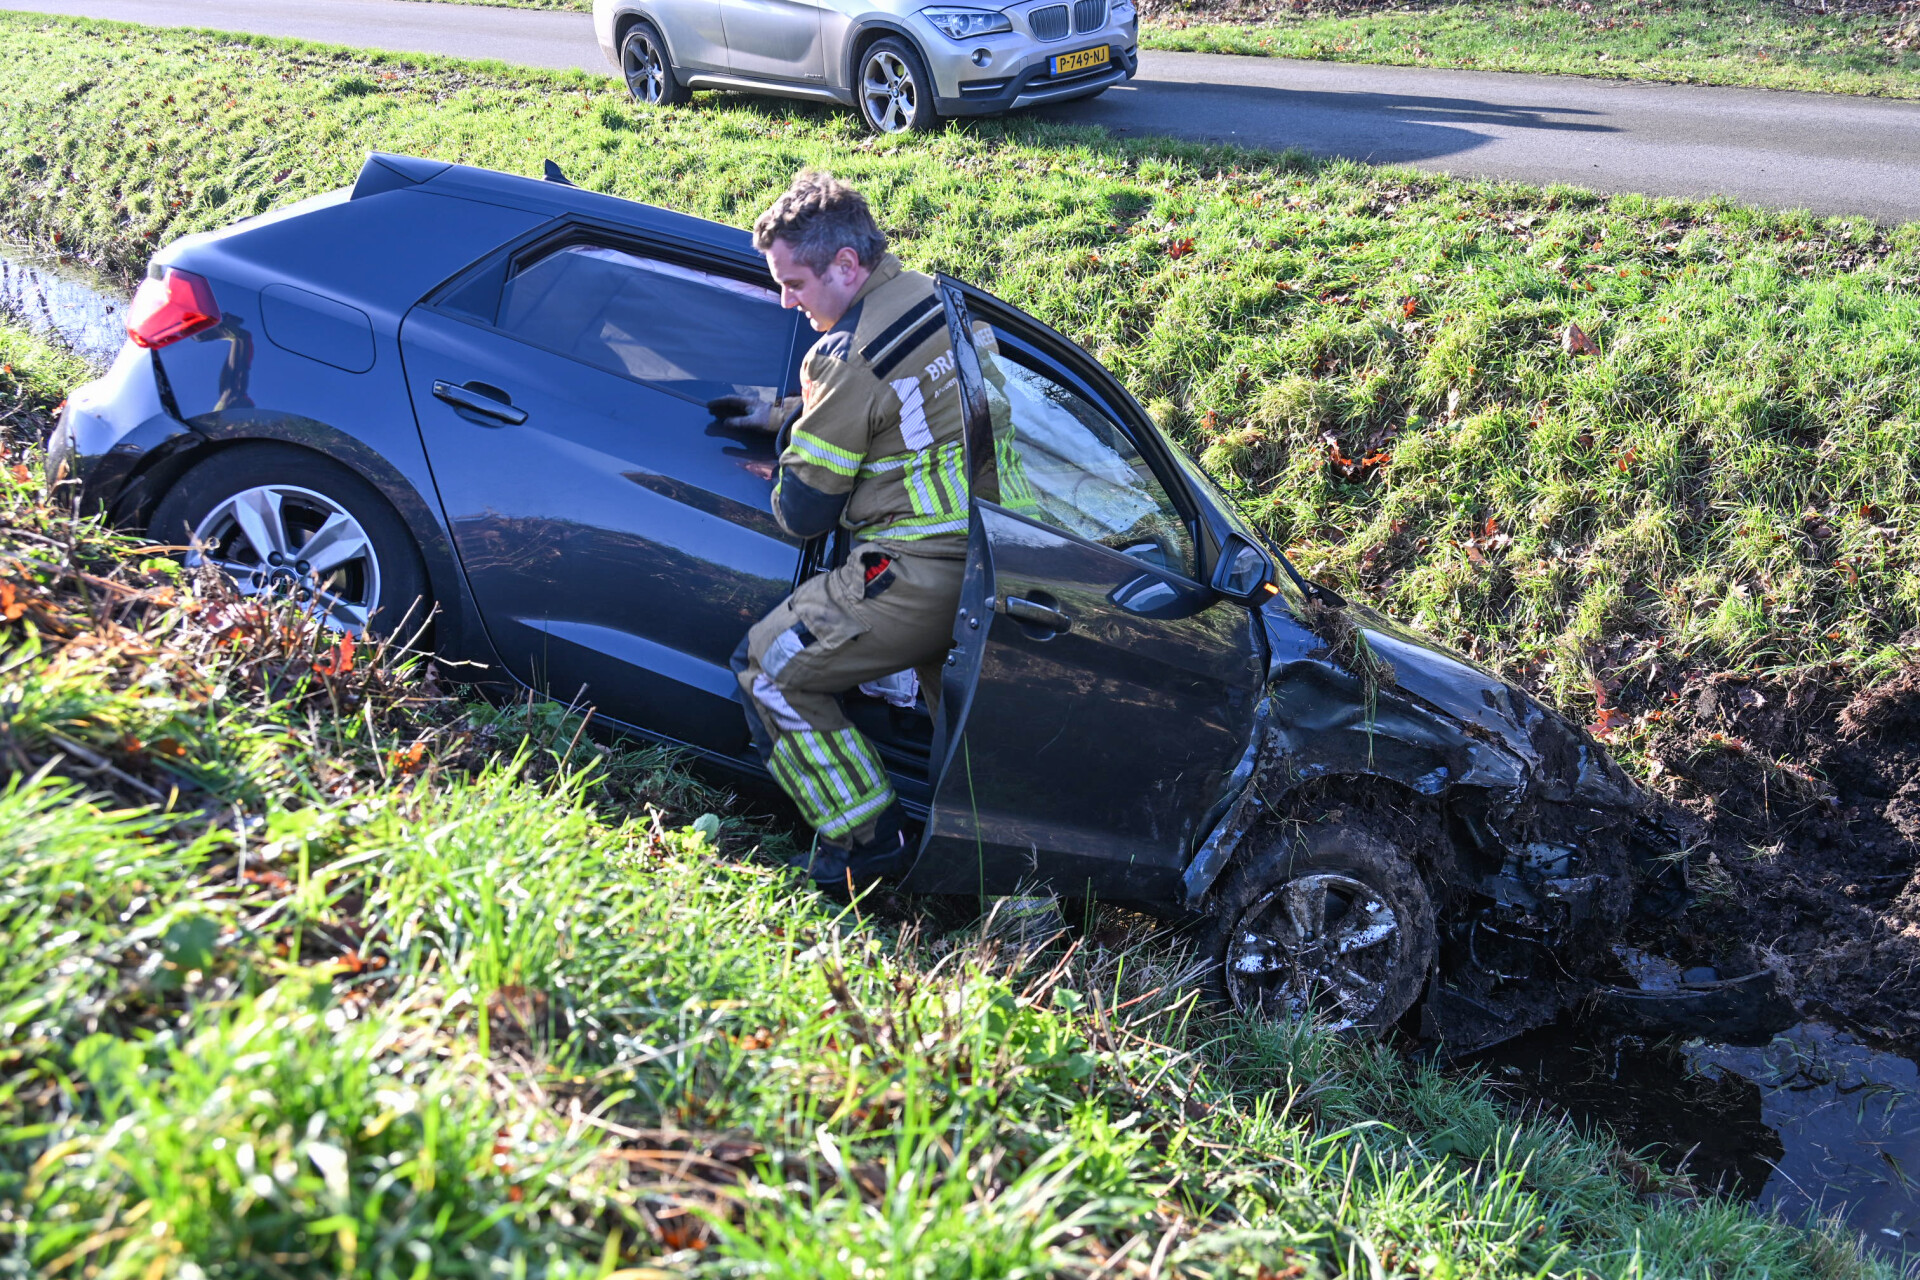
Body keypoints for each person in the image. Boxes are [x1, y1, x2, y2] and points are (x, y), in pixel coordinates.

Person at [715, 170, 976, 892]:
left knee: (767, 670)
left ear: (846, 266)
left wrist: (789, 436)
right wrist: (796, 408)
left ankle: (865, 843)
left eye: (795, 283)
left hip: (912, 572)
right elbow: (900, 410)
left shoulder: (843, 356)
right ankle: (996, 893)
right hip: (992, 567)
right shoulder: (940, 301)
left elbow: (803, 512)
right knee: (962, 736)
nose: (786, 302)